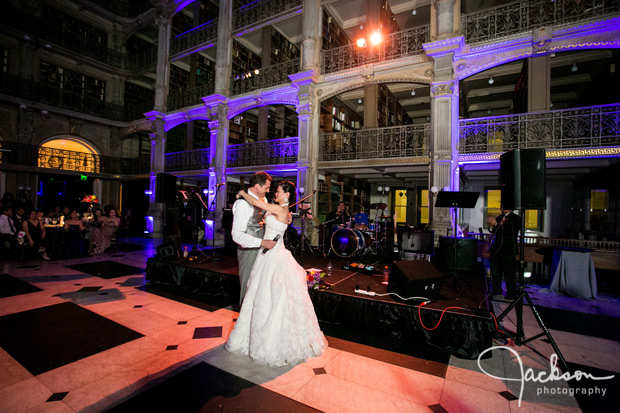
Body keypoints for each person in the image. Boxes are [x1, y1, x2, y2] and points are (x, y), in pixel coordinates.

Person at [226, 181, 327, 366]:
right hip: (267, 254)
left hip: (274, 255)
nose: (276, 193)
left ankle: (273, 337)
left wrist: (241, 192)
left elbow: (257, 204)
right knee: (262, 293)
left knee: (271, 295)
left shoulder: (281, 210)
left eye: (279, 191)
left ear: (287, 195)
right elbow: (264, 212)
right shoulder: (282, 210)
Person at [231, 171, 276, 305]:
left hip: (262, 248)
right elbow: (237, 235)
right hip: (248, 250)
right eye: (266, 188)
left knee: (259, 285)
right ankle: (243, 321)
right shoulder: (242, 204)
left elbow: (264, 217)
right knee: (247, 285)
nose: (268, 191)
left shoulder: (263, 200)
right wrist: (261, 242)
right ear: (257, 186)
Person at [487, 205, 521, 300]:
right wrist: (491, 226)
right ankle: (496, 289)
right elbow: (495, 231)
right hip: (496, 249)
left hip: (508, 250)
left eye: (503, 206)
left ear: (510, 208)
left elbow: (510, 231)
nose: (501, 208)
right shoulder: (499, 217)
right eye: (501, 206)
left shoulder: (516, 219)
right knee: (495, 271)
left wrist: (496, 224)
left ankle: (511, 292)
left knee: (509, 272)